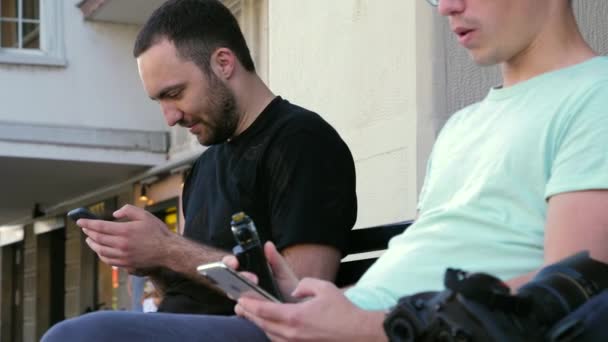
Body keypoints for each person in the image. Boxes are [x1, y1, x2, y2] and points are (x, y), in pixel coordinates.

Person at [42, 0, 608, 340]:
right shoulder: (464, 125)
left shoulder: (595, 95)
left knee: (82, 337)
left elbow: (573, 289)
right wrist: (301, 297)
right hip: (334, 320)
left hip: (377, 330)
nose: (444, 7)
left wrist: (366, 326)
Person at [70, 0, 357, 316]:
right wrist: (150, 260)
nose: (169, 117)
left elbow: (301, 293)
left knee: (78, 333)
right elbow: (190, 294)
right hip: (183, 327)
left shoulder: (303, 141)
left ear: (223, 63)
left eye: (175, 93)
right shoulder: (201, 169)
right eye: (159, 101)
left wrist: (167, 247)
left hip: (256, 331)